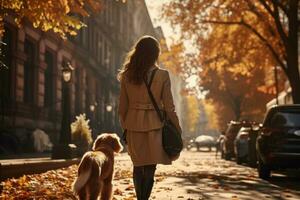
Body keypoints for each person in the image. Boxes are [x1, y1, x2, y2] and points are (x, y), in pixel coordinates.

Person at [118, 35, 182, 200]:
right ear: (156, 53)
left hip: (132, 125)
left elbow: (122, 107)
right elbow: (169, 107)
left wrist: (125, 126)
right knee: (150, 168)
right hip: (155, 125)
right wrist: (177, 126)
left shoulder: (127, 76)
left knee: (138, 166)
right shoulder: (162, 75)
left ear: (137, 52)